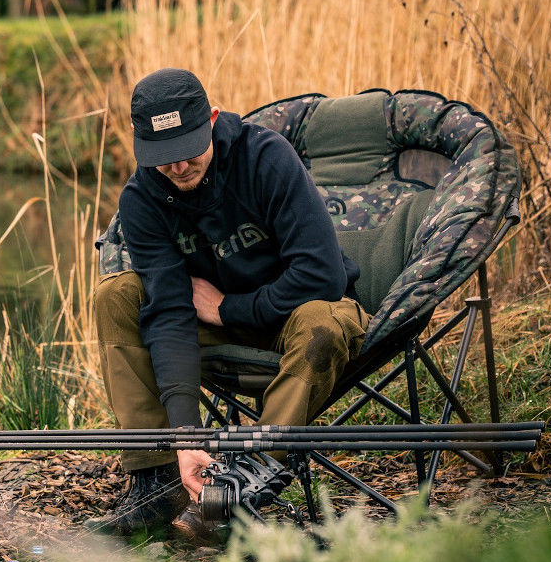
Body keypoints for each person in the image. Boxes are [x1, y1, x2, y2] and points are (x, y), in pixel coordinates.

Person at [87, 68, 369, 536]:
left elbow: (322, 274)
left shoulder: (266, 158)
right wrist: (186, 434)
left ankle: (245, 483)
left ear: (212, 120)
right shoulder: (142, 198)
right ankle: (157, 480)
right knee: (116, 294)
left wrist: (227, 309)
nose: (178, 167)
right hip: (209, 327)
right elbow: (169, 314)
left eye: (187, 151)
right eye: (163, 157)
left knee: (324, 323)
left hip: (298, 312)